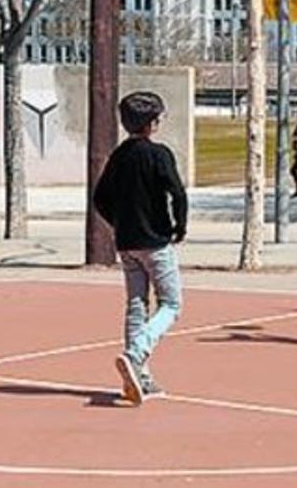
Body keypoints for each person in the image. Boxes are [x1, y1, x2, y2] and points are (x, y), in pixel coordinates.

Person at [93, 91, 187, 406]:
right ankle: (135, 354)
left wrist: (118, 223)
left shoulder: (119, 155)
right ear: (152, 124)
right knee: (171, 303)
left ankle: (140, 376)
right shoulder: (159, 154)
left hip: (127, 242)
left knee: (136, 304)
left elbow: (100, 198)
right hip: (155, 241)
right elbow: (178, 192)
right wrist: (179, 226)